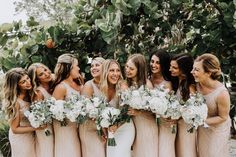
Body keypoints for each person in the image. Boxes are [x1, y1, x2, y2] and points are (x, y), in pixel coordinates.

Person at [191, 53, 231, 157]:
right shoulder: (196, 86)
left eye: (196, 70)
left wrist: (200, 121)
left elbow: (223, 117)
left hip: (217, 130)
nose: (192, 72)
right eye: (193, 69)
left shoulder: (222, 93)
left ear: (208, 73)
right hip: (203, 130)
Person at [2, 68, 43, 157]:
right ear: (16, 85)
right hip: (21, 137)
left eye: (27, 78)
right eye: (23, 82)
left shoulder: (30, 94)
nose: (28, 82)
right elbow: (15, 129)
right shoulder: (15, 102)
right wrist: (37, 127)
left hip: (31, 134)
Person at [100, 59, 135, 157]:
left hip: (125, 128)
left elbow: (127, 110)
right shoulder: (102, 88)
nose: (116, 74)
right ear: (105, 72)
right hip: (111, 131)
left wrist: (116, 125)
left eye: (117, 70)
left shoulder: (122, 86)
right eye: (112, 70)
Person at [125, 53, 158, 157]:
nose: (127, 70)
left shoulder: (147, 84)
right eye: (126, 66)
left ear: (139, 70)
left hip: (146, 126)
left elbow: (155, 109)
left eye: (131, 68)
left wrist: (139, 112)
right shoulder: (126, 84)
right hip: (133, 129)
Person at [52, 53, 82, 157]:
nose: (78, 68)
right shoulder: (61, 87)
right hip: (66, 130)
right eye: (76, 66)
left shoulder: (79, 83)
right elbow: (55, 113)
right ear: (69, 68)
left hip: (79, 129)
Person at [169, 53, 197, 157]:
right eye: (171, 66)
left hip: (186, 126)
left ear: (184, 69)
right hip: (178, 125)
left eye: (174, 67)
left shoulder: (190, 86)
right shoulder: (179, 81)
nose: (170, 69)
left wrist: (179, 116)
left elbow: (194, 110)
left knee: (186, 152)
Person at [149, 49, 176, 157]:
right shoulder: (147, 79)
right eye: (152, 61)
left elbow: (169, 107)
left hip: (165, 123)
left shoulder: (168, 84)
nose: (153, 65)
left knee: (165, 152)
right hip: (151, 123)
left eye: (157, 62)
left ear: (163, 65)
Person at [79, 57, 106, 157]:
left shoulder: (109, 84)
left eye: (97, 65)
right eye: (92, 66)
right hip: (90, 128)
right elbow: (87, 111)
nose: (93, 68)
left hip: (104, 128)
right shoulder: (88, 86)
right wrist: (101, 129)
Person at [28, 63, 54, 157]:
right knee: (48, 152)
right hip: (45, 129)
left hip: (56, 126)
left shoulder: (54, 83)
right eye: (41, 74)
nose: (46, 74)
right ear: (36, 79)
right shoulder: (38, 93)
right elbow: (38, 116)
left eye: (46, 70)